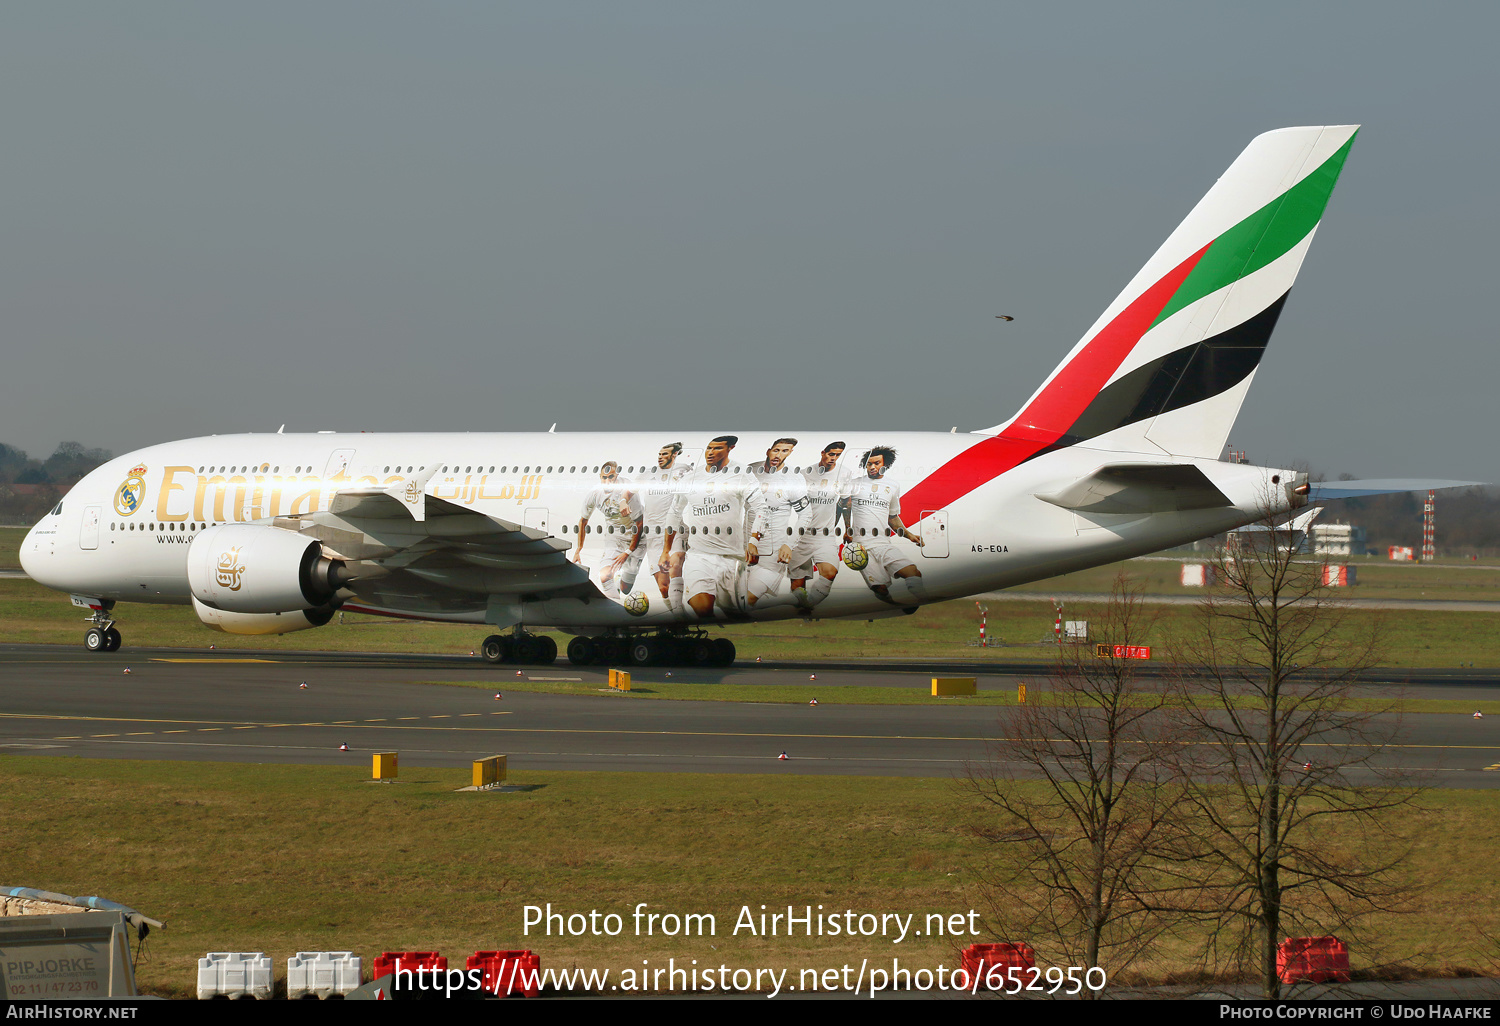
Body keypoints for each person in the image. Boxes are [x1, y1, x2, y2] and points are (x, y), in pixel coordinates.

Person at [670, 436, 766, 619]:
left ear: (730, 449)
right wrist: (667, 548)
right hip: (700, 555)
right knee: (702, 608)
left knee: (737, 614)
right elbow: (674, 513)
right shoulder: (691, 478)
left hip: (731, 556)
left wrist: (754, 541)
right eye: (709, 448)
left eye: (717, 448)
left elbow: (761, 508)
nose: (711, 453)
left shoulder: (741, 474)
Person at [845, 446, 927, 607]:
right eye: (869, 464)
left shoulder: (892, 486)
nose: (872, 467)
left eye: (876, 463)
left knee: (913, 572)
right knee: (880, 589)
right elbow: (845, 508)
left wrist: (910, 535)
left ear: (885, 464)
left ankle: (924, 601)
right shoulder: (854, 484)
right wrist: (847, 529)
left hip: (882, 543)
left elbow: (893, 517)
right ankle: (897, 605)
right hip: (861, 547)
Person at [789, 441, 850, 611]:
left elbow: (846, 502)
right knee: (797, 585)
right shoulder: (805, 474)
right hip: (802, 535)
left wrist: (847, 528)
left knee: (830, 572)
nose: (834, 458)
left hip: (824, 534)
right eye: (831, 454)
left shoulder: (843, 474)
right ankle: (804, 605)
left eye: (838, 455)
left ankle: (810, 603)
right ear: (823, 453)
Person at [747, 438, 807, 608]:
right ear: (768, 450)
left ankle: (793, 599)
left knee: (748, 599)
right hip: (748, 549)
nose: (778, 455)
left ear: (790, 453)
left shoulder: (794, 479)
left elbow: (805, 515)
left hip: (772, 554)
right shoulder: (751, 471)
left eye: (785, 451)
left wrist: (789, 545)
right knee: (738, 604)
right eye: (776, 450)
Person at [574, 462, 643, 596]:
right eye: (604, 477)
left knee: (625, 588)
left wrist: (628, 551)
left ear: (616, 476)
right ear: (600, 477)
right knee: (604, 576)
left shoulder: (627, 491)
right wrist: (579, 549)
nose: (607, 481)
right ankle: (616, 608)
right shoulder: (595, 493)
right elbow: (583, 521)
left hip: (635, 537)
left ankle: (619, 582)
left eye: (611, 477)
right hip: (615, 537)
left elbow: (639, 524)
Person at [644, 442, 693, 613]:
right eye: (659, 454)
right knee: (663, 587)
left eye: (665, 454)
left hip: (674, 527)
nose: (660, 457)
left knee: (676, 561)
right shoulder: (650, 475)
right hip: (653, 533)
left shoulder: (683, 470)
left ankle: (678, 611)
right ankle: (674, 615)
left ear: (674, 455)